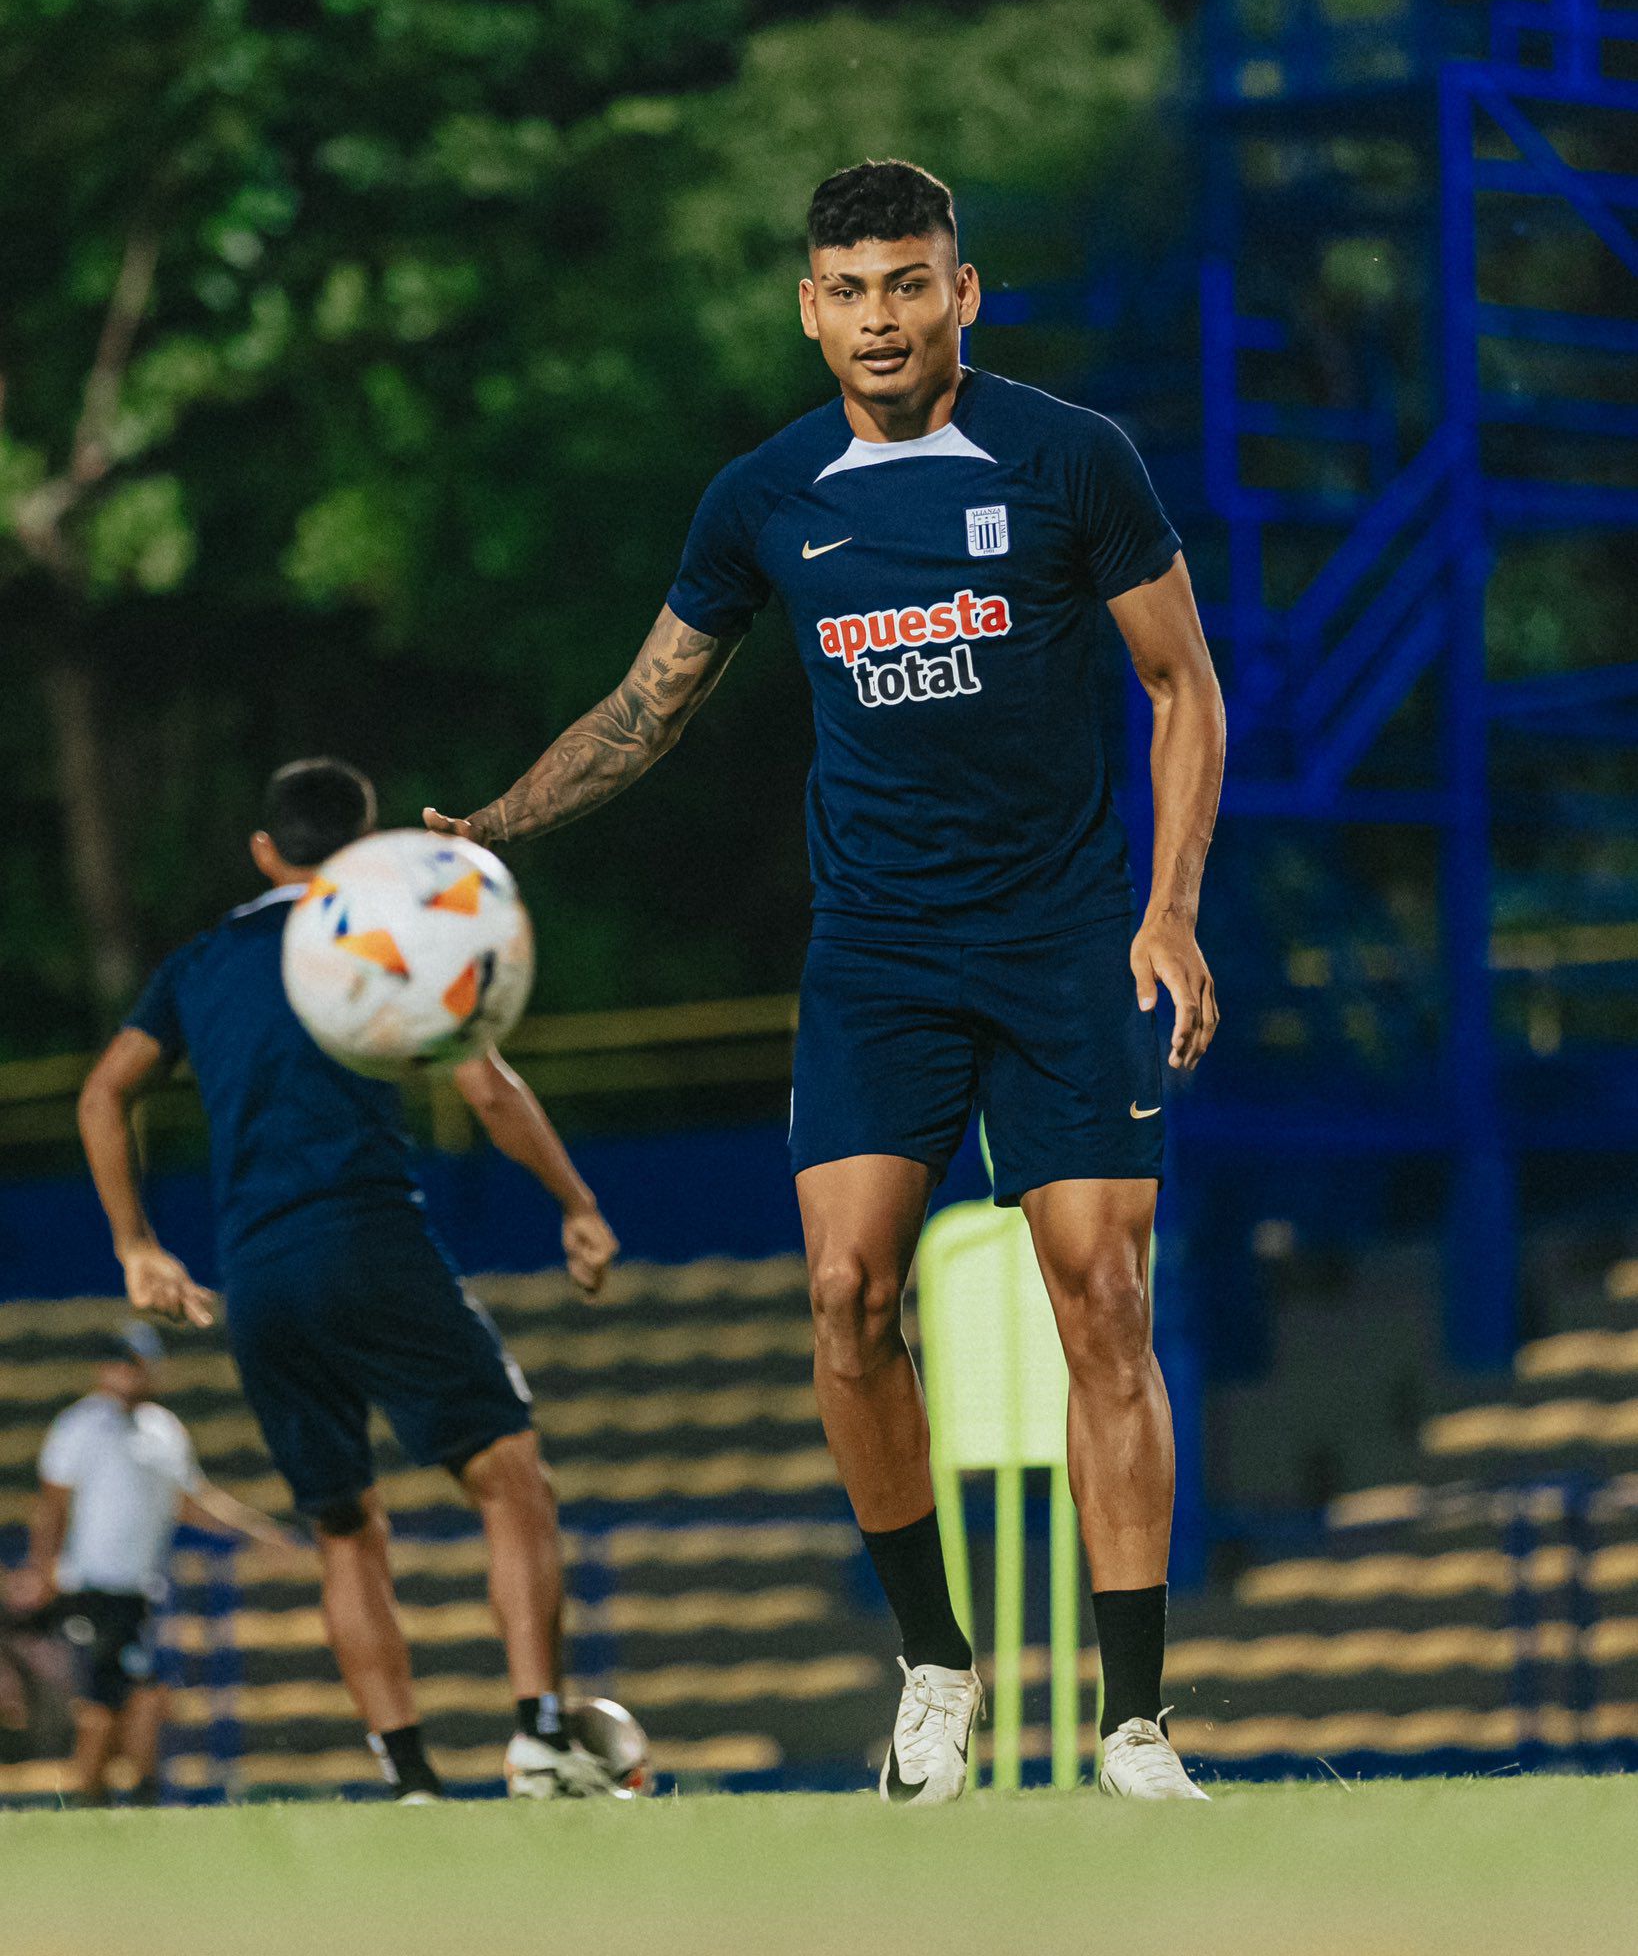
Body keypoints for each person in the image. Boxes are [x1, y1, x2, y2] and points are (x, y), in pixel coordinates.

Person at [427, 160, 1226, 1804]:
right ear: (809, 305)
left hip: (1063, 939)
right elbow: (647, 704)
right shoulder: (762, 495)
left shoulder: (1069, 458)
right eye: (848, 288)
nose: (879, 315)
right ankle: (936, 1661)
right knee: (845, 1296)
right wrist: (493, 828)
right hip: (876, 956)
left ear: (961, 292)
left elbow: (1182, 689)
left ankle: (1133, 1719)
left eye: (908, 282)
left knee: (1103, 1300)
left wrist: (1168, 910)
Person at [76, 759, 622, 1803]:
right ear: (370, 846)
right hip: (368, 1237)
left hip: (257, 1277)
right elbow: (485, 1083)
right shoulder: (387, 926)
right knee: (512, 1478)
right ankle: (540, 1735)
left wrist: (136, 1245)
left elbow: (105, 1094)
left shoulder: (199, 963)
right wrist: (575, 1200)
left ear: (263, 849)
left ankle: (411, 1776)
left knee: (343, 1525)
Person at [5, 1322, 292, 1806]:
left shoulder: (163, 1429)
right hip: (92, 1586)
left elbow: (188, 1500)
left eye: (133, 1363)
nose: (125, 1374)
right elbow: (52, 1506)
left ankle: (136, 1797)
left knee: (143, 1698)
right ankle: (90, 1803)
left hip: (140, 1588)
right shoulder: (80, 1426)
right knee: (104, 1704)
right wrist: (41, 1569)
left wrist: (252, 1530)